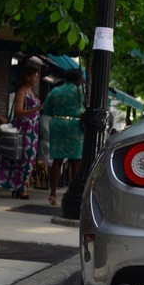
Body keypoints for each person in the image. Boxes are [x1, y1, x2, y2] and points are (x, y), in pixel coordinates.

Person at [0, 67, 43, 199]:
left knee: (30, 159)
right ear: (28, 77)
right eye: (34, 76)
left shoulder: (32, 92)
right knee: (23, 158)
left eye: (37, 77)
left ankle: (22, 186)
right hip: (24, 129)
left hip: (33, 131)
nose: (36, 79)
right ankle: (20, 188)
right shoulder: (22, 91)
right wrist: (35, 109)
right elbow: (18, 111)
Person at [43, 69, 85, 205]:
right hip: (74, 125)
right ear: (78, 79)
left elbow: (47, 110)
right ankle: (73, 191)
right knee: (75, 161)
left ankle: (53, 193)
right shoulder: (80, 92)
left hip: (57, 124)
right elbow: (85, 109)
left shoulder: (55, 91)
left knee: (57, 160)